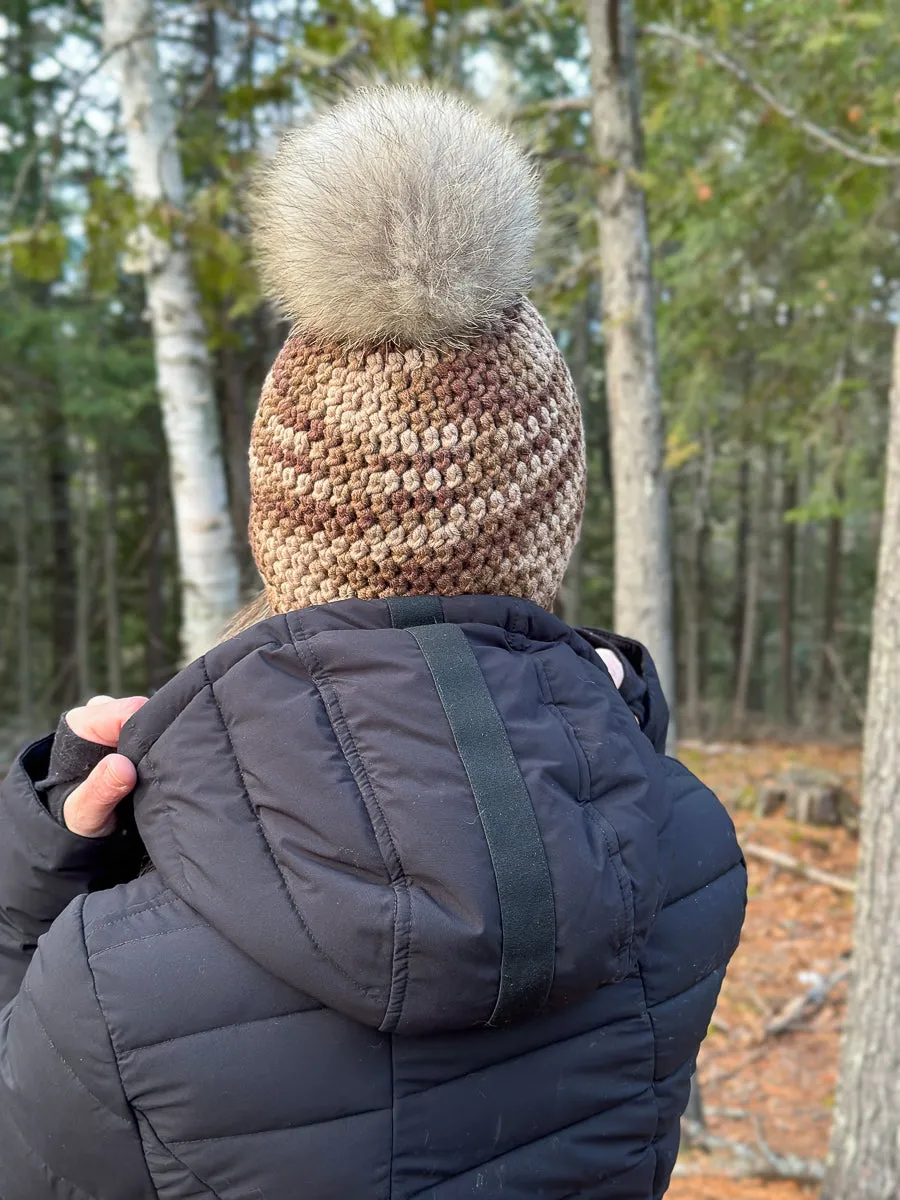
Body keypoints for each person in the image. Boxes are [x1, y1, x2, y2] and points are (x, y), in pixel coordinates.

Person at [0, 87, 746, 1199]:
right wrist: (620, 722)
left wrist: (34, 888)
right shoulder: (687, 853)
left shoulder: (112, 977)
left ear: (284, 524)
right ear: (551, 514)